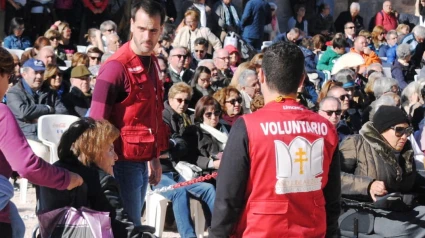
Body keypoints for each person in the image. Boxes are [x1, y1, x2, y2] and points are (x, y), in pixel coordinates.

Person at [210, 41, 341, 237]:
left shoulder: (248, 126)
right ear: (302, 80)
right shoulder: (326, 129)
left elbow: (227, 198)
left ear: (261, 76)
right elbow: (332, 199)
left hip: (260, 230)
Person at [89, 0, 168, 226]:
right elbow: (96, 123)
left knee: (133, 223)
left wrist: (155, 158)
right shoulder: (115, 66)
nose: (147, 37)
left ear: (161, 30)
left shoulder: (153, 61)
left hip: (142, 160)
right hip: (119, 161)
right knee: (128, 226)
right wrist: (103, 169)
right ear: (131, 25)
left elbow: (151, 115)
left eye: (153, 30)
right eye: (142, 29)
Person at [0, 47, 83, 238]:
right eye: (9, 79)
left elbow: (61, 112)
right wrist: (67, 179)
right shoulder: (2, 111)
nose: (9, 85)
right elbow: (27, 165)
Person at [38, 118, 156, 238]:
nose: (115, 157)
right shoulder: (101, 181)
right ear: (93, 151)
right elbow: (122, 230)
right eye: (110, 150)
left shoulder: (54, 173)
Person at [339, 106, 425, 237]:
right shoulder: (357, 144)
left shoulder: (405, 152)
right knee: (405, 229)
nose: (404, 136)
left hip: (397, 209)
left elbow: (411, 182)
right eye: (399, 130)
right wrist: (368, 186)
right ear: (381, 130)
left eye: (408, 130)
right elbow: (333, 177)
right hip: (364, 213)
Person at [158, 83, 216, 238]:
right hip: (159, 173)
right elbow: (164, 147)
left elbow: (183, 146)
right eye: (179, 100)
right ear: (170, 99)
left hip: (177, 171)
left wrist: (174, 147)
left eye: (186, 101)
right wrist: (174, 147)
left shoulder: (182, 117)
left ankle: (217, 233)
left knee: (208, 189)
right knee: (179, 192)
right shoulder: (163, 116)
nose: (183, 104)